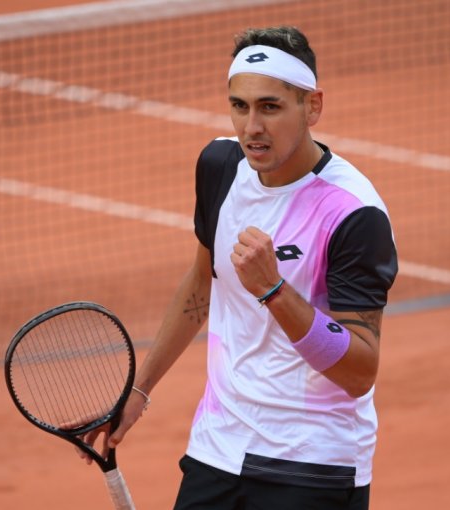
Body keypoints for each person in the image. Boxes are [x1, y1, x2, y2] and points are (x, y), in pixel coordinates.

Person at [84, 25, 398, 509]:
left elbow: (360, 371)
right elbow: (200, 286)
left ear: (311, 107)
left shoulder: (353, 213)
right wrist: (139, 391)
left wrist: (273, 289)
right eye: (240, 106)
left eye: (270, 107)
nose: (252, 126)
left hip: (312, 462)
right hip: (220, 446)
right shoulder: (219, 167)